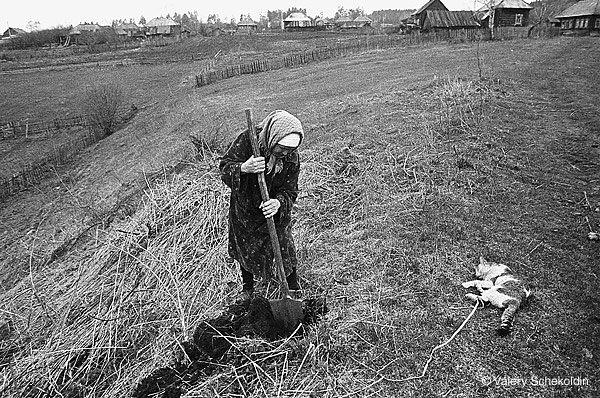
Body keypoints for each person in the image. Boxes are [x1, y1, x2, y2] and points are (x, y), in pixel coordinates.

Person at [219, 110, 303, 300]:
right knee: (245, 247)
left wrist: (278, 203)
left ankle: (292, 290)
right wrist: (243, 168)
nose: (285, 153)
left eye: (290, 150)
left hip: (272, 208)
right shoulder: (248, 141)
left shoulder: (291, 157)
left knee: (284, 245)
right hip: (246, 208)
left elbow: (291, 190)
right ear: (273, 137)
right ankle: (247, 288)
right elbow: (225, 168)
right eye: (281, 148)